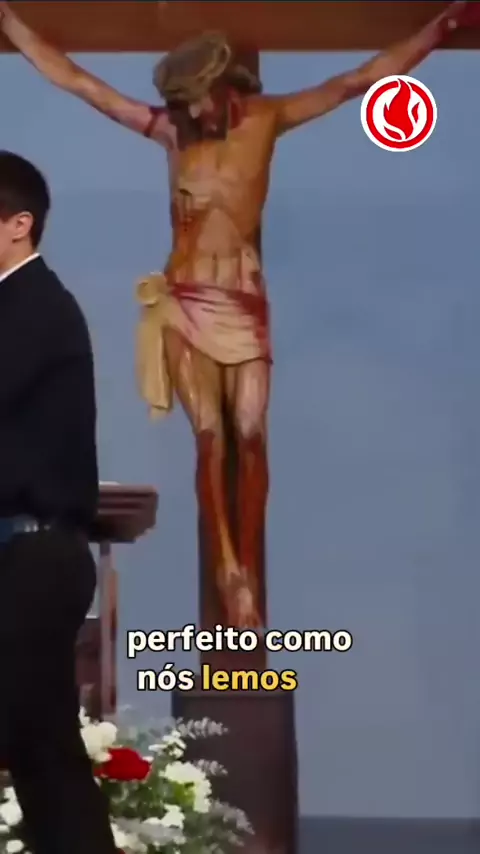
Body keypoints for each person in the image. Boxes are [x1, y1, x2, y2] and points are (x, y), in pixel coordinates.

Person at [1, 1, 477, 628]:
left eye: (199, 100)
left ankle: (245, 562)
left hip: (243, 302)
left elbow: (359, 80)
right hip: (188, 301)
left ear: (225, 86)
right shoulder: (172, 134)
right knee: (210, 437)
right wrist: (12, 25)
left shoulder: (267, 120)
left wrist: (438, 31)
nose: (194, 114)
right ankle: (227, 565)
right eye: (184, 103)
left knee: (249, 435)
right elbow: (80, 83)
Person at [0, 150, 116, 853]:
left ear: (19, 224)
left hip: (34, 555)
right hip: (19, 554)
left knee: (41, 747)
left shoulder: (36, 306)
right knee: (38, 747)